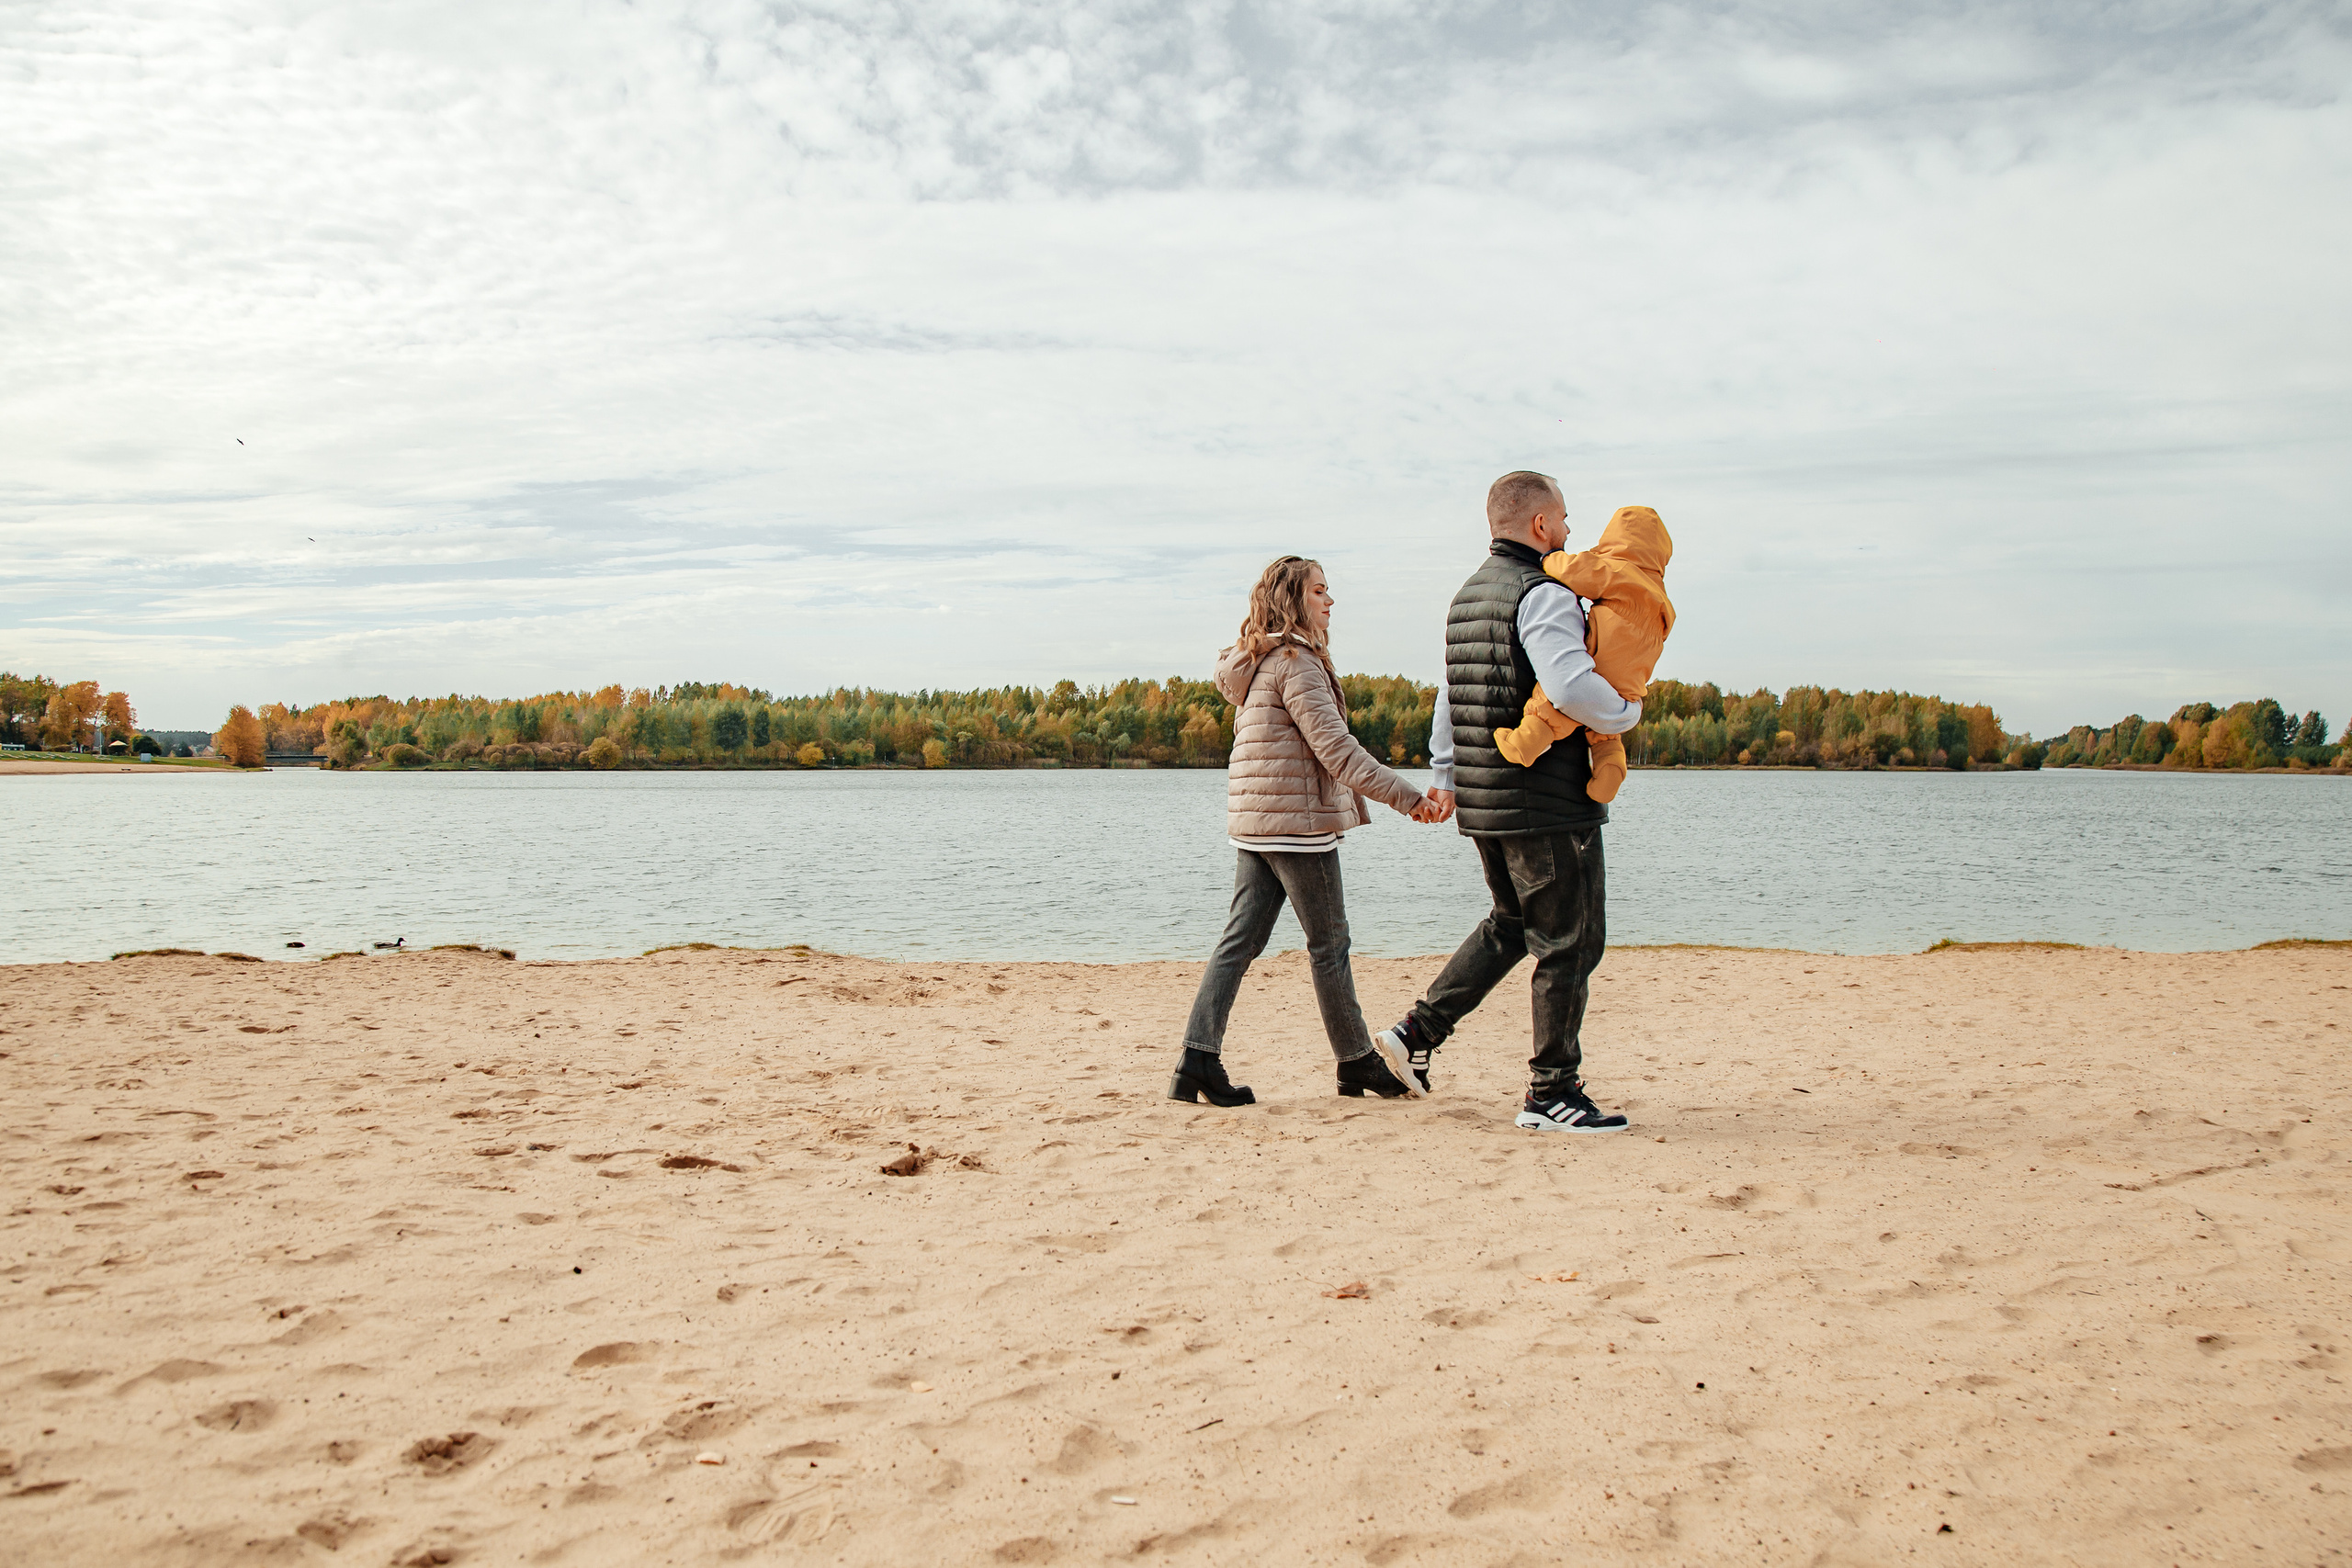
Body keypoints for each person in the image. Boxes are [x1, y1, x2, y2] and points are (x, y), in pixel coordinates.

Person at [1373, 471, 1645, 1132]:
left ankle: (1416, 1033)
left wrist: (1446, 773)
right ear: (1541, 524)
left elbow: (1448, 697)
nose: (1571, 530)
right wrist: (1625, 713)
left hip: (1485, 798)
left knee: (1513, 924)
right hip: (1546, 800)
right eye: (1565, 518)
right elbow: (1570, 685)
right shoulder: (1543, 593)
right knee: (1570, 942)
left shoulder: (1467, 596)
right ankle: (1552, 1092)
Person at [1170, 556, 1442, 1108]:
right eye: (1320, 591)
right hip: (1296, 827)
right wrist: (1409, 798)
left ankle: (1196, 1059)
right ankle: (1355, 1060)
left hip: (1258, 824)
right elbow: (1338, 751)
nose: (1330, 600)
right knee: (1330, 945)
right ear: (1294, 600)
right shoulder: (1297, 663)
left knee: (1239, 942)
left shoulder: (1260, 662)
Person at [1489, 504, 1675, 803]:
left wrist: (1549, 559)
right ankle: (1610, 766)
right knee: (1605, 729)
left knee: (1552, 701)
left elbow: (1573, 571)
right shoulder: (1660, 595)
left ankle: (1524, 744)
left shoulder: (1616, 570)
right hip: (1633, 679)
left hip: (1601, 659)